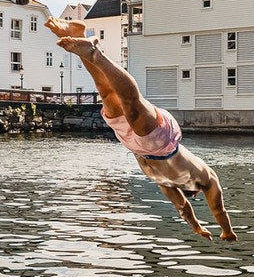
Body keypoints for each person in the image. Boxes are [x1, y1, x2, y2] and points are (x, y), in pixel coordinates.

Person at [48, 17, 238, 241]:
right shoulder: (206, 179)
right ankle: (95, 53)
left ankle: (77, 35)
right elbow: (218, 210)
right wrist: (227, 231)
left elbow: (184, 210)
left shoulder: (167, 185)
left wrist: (197, 227)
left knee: (107, 93)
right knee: (131, 103)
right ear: (195, 191)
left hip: (134, 145)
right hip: (163, 141)